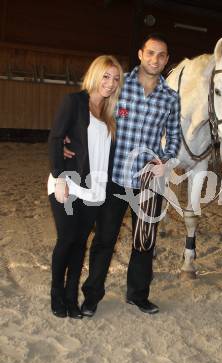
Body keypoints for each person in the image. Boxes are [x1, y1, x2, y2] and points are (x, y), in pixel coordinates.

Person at [65, 33, 181, 317]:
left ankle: (138, 294)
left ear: (166, 61)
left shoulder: (171, 98)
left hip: (148, 181)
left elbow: (175, 137)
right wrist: (71, 140)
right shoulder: (119, 85)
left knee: (144, 241)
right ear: (141, 54)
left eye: (161, 55)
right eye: (151, 53)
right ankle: (92, 295)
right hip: (114, 177)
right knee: (105, 240)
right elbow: (91, 115)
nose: (155, 59)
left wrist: (165, 160)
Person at [48, 55, 123, 318]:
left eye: (115, 79)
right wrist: (59, 178)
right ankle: (56, 294)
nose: (110, 83)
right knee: (67, 238)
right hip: (67, 184)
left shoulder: (108, 113)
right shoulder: (74, 102)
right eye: (106, 76)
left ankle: (71, 297)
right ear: (95, 75)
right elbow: (56, 138)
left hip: (95, 190)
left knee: (80, 243)